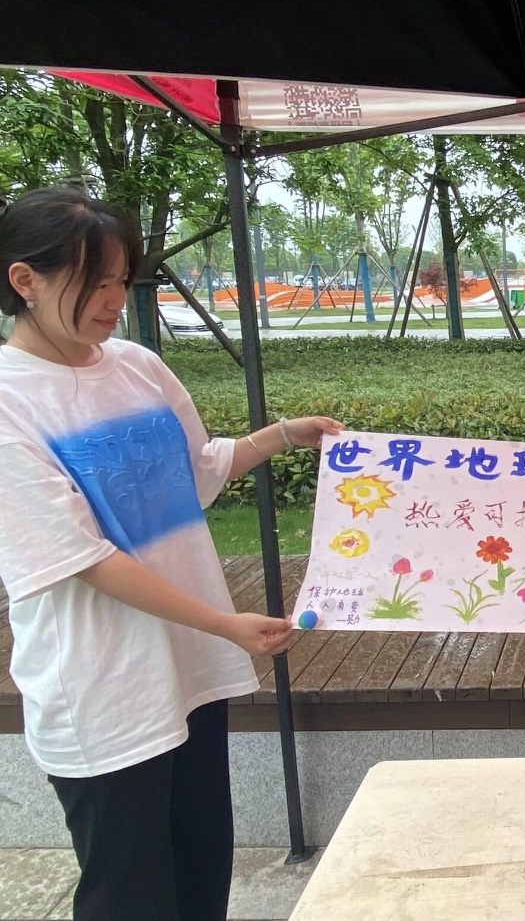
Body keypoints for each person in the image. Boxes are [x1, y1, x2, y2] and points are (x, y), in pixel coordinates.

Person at [0, 188, 343, 920]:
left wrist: (286, 434)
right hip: (103, 688)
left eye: (121, 279)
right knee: (130, 895)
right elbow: (83, 557)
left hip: (188, 672)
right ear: (24, 279)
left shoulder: (136, 365)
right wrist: (225, 623)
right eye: (94, 281)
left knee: (201, 872)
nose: (113, 300)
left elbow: (197, 470)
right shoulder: (9, 398)